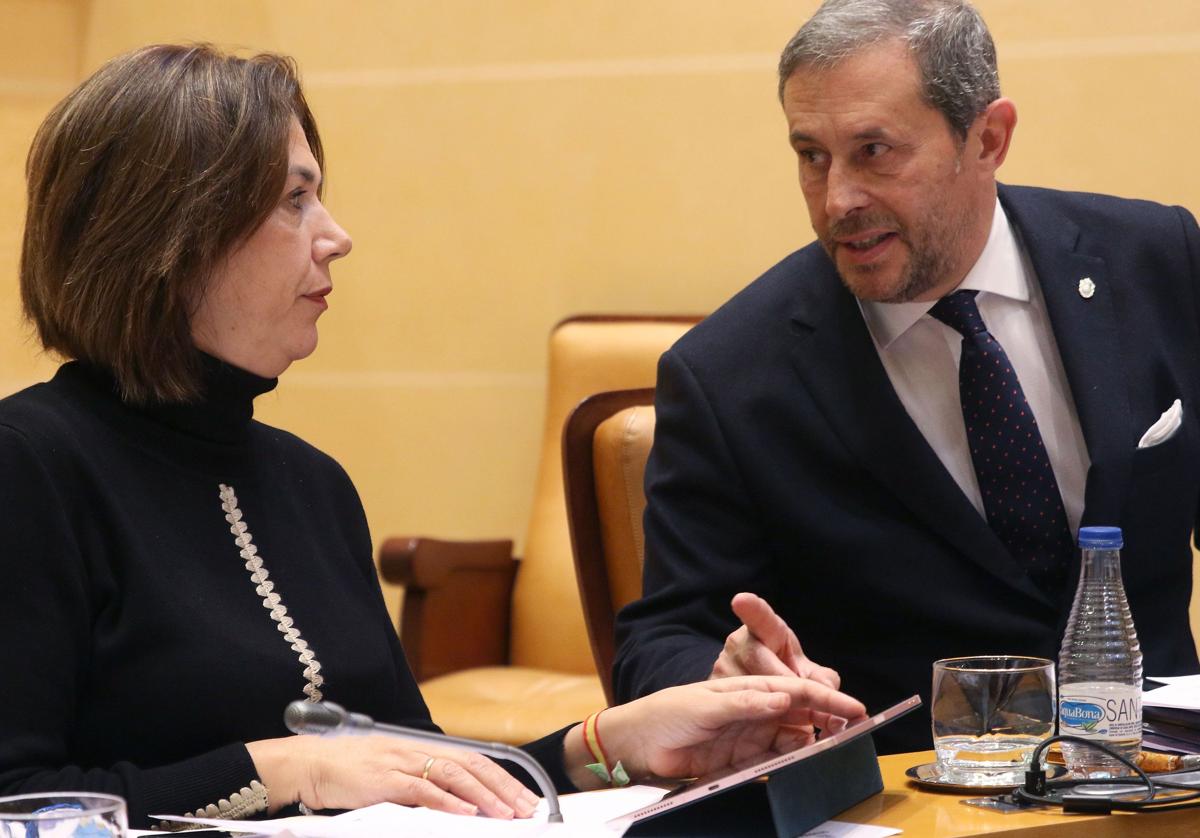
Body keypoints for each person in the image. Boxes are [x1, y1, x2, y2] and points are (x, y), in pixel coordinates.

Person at [0, 44, 868, 829]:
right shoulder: (30, 464)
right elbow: (15, 798)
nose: (337, 238)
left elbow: (417, 773)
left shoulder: (311, 482)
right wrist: (282, 767)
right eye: (296, 200)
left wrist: (613, 744)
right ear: (170, 236)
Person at [613, 0, 1200, 754]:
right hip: (913, 799)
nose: (837, 202)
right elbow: (661, 641)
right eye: (811, 155)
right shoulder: (729, 374)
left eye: (874, 151)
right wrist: (729, 675)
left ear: (987, 138)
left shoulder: (1159, 262)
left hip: (1160, 782)